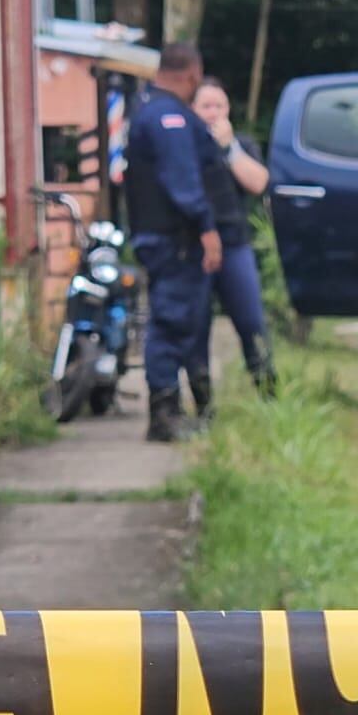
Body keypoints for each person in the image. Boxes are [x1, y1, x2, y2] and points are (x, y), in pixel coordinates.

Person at [123, 43, 224, 442]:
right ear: (193, 74)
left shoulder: (153, 110)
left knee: (188, 321)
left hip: (168, 238)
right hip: (174, 240)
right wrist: (206, 226)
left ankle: (188, 409)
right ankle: (163, 417)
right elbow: (182, 180)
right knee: (170, 323)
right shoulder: (168, 118)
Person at [191, 77, 277, 403]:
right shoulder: (183, 146)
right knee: (196, 326)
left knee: (251, 321)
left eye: (219, 106)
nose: (213, 112)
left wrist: (228, 148)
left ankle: (269, 397)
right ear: (192, 110)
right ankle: (202, 407)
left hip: (234, 244)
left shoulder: (241, 144)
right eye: (205, 106)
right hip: (194, 248)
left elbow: (259, 183)